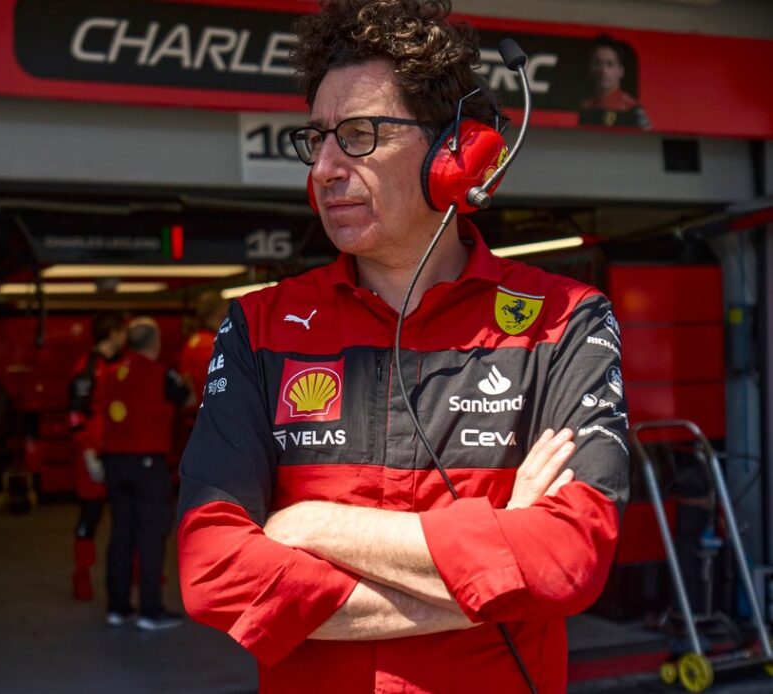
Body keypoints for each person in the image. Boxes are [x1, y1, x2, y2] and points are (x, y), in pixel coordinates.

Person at [176, 1, 629, 691]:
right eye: (316, 139)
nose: (324, 167)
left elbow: (567, 560)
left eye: (359, 135)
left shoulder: (564, 323)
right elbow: (212, 569)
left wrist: (313, 524)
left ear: (455, 153)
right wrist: (495, 571)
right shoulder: (259, 328)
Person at [96, 317, 194, 630]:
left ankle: (118, 607)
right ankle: (151, 611)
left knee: (121, 533)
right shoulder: (162, 374)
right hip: (147, 464)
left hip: (114, 463)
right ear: (155, 343)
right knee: (151, 536)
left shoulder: (109, 372)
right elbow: (189, 401)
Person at [67, 311, 128, 601]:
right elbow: (75, 411)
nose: (124, 337)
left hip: (114, 450)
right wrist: (87, 450)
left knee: (124, 513)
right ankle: (81, 576)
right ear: (112, 332)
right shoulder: (88, 368)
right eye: (122, 331)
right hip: (91, 454)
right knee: (90, 515)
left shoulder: (114, 365)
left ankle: (133, 574)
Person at [177, 290, 230, 429]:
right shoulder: (215, 344)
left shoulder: (192, 342)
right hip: (212, 419)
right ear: (222, 315)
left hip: (192, 419)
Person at [579, 34, 651, 129]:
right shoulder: (585, 106)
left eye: (610, 64)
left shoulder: (632, 108)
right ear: (590, 67)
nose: (603, 71)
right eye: (597, 63)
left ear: (620, 71)